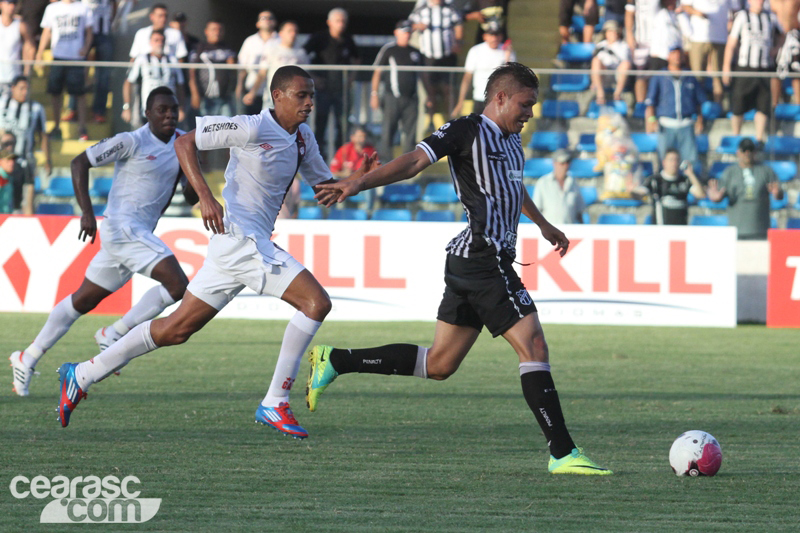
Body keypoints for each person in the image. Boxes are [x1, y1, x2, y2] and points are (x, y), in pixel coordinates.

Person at [309, 62, 611, 475]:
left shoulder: (512, 142)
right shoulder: (466, 129)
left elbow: (513, 185)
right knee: (534, 346)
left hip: (472, 262)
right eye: (525, 104)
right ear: (500, 97)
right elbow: (416, 161)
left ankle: (336, 360)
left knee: (439, 365)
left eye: (534, 105)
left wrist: (542, 223)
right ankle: (563, 453)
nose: (530, 113)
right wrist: (358, 183)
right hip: (483, 259)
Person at [53, 67, 368, 439]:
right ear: (278, 96)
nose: (310, 103)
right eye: (302, 96)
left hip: (232, 248)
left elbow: (324, 188)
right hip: (241, 241)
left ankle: (84, 373)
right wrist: (205, 196)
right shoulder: (249, 126)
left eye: (312, 95)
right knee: (316, 303)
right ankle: (275, 400)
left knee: (175, 329)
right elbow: (184, 143)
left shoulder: (303, 138)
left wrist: (360, 178)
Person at [10, 87, 196, 398]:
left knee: (81, 301)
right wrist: (86, 212)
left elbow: (190, 196)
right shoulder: (130, 141)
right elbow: (79, 162)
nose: (169, 115)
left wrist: (192, 170)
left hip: (134, 235)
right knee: (178, 285)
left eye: (173, 110)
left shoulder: (183, 142)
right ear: (147, 114)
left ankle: (26, 357)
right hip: (122, 228)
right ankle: (115, 332)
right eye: (162, 110)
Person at [722, 0, 780, 143]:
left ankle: (759, 139)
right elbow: (731, 42)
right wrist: (726, 66)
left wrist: (777, 48)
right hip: (745, 67)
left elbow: (784, 34)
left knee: (763, 104)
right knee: (738, 103)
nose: (759, 2)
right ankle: (736, 137)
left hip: (764, 67)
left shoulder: (770, 17)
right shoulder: (742, 16)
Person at [303, 8, 360, 151]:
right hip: (322, 89)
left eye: (343, 21)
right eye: (338, 21)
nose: (341, 24)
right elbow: (302, 57)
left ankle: (341, 158)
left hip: (342, 90)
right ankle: (317, 156)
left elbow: (357, 58)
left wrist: (351, 78)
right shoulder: (318, 38)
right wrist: (313, 78)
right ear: (329, 22)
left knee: (343, 124)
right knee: (320, 123)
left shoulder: (348, 39)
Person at [36, 0, 93, 141]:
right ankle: (57, 127)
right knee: (55, 93)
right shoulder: (52, 8)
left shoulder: (83, 8)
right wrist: (39, 53)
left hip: (76, 57)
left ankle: (82, 129)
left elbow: (90, 31)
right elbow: (46, 32)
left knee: (80, 94)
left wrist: (86, 48)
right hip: (58, 56)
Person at [707, 138, 784, 240]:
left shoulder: (766, 171)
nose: (747, 153)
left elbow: (779, 194)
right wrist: (715, 197)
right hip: (736, 229)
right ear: (738, 152)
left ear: (755, 152)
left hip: (760, 229)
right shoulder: (730, 173)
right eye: (744, 150)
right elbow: (717, 194)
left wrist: (777, 193)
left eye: (750, 150)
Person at [372, 20, 426, 162]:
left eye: (408, 32)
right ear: (396, 33)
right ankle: (384, 164)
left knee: (410, 134)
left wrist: (429, 95)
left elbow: (423, 75)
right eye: (403, 32)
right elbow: (377, 72)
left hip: (412, 98)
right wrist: (374, 94)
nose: (406, 35)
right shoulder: (389, 50)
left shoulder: (415, 52)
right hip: (392, 97)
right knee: (388, 132)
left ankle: (407, 166)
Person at [644, 45, 706, 163]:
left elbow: (698, 101)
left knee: (690, 161)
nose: (677, 57)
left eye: (679, 54)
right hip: (666, 124)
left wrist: (700, 120)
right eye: (673, 54)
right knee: (664, 160)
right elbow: (651, 102)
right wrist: (652, 120)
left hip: (686, 124)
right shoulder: (659, 76)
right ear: (668, 56)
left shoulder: (690, 76)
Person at [409, 0, 463, 128]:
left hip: (447, 55)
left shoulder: (450, 8)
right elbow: (409, 25)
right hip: (428, 56)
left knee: (448, 89)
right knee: (430, 90)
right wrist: (418, 26)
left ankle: (451, 120)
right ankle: (431, 121)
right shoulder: (421, 9)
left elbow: (458, 24)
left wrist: (458, 41)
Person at [243, 21, 309, 112]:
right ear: (281, 33)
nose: (293, 34)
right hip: (273, 99)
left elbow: (307, 75)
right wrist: (252, 93)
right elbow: (262, 73)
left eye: (295, 31)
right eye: (290, 31)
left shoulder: (301, 53)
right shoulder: (272, 50)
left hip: (295, 101)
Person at [123, 29, 185, 125]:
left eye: (162, 40)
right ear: (150, 42)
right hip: (147, 110)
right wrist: (127, 107)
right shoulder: (142, 59)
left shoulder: (172, 60)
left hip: (169, 110)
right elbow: (129, 82)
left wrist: (180, 107)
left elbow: (180, 85)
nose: (159, 43)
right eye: (156, 40)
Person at [629, 148, 705, 224]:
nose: (674, 163)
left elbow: (701, 194)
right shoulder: (655, 180)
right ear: (664, 162)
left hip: (681, 230)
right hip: (662, 230)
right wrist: (632, 191)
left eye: (676, 160)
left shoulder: (684, 180)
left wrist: (690, 174)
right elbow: (640, 194)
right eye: (671, 160)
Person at [452, 28, 515, 117]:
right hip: (480, 98)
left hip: (499, 99)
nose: (494, 38)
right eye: (491, 35)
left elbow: (511, 77)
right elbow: (467, 78)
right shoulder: (476, 51)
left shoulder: (507, 52)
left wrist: (507, 58)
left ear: (501, 37)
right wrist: (460, 101)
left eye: (496, 35)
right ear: (485, 36)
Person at [0, 76, 51, 184]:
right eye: (22, 88)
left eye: (27, 89)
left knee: (27, 189)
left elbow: (43, 136)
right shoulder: (2, 103)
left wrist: (48, 161)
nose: (25, 92)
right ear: (13, 88)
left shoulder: (36, 108)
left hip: (25, 159)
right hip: (2, 160)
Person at [682, 0, 732, 103]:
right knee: (698, 76)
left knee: (718, 76)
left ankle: (718, 105)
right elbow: (685, 6)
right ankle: (698, 107)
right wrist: (697, 13)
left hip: (720, 38)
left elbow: (734, 9)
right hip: (698, 38)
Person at [188, 20, 237, 118]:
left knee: (228, 128)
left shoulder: (228, 49)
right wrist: (194, 94)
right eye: (214, 29)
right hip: (205, 98)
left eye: (220, 30)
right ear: (206, 31)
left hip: (225, 98)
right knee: (206, 129)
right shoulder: (198, 48)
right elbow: (191, 73)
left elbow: (234, 71)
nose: (217, 32)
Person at [236, 11, 279, 115]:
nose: (267, 20)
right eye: (263, 18)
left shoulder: (280, 40)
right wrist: (239, 86)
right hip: (252, 91)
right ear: (257, 23)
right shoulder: (250, 41)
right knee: (252, 125)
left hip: (274, 92)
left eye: (270, 17)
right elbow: (243, 67)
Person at [81, 0, 116, 123]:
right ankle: (73, 109)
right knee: (78, 71)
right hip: (84, 33)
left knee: (103, 75)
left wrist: (111, 20)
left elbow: (114, 5)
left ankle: (99, 111)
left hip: (104, 34)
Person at [532, 149, 585, 225]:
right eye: (562, 163)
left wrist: (582, 229)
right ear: (555, 163)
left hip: (570, 231)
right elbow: (536, 211)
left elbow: (579, 212)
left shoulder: (574, 183)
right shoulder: (543, 182)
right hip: (549, 231)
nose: (565, 166)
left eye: (568, 162)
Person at [625, 0, 661, 102]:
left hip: (658, 42)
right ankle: (640, 104)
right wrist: (629, 35)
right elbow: (629, 13)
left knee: (656, 74)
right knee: (641, 75)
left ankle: (653, 103)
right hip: (641, 41)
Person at [590, 20, 632, 104]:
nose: (613, 33)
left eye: (614, 31)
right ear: (606, 33)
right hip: (603, 74)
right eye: (610, 31)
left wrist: (611, 52)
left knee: (626, 64)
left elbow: (623, 62)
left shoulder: (623, 46)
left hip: (617, 75)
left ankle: (617, 93)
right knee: (596, 61)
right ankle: (600, 93)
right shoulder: (600, 46)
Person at [2, 132, 32, 214]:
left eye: (12, 143)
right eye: (6, 143)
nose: (10, 146)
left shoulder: (23, 165)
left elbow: (28, 192)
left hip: (15, 211)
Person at [0, 0, 26, 94]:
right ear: (1, 4)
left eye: (14, 3)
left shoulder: (20, 25)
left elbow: (29, 47)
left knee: (9, 108)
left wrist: (26, 72)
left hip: (13, 77)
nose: (11, 6)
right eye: (9, 3)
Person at [0, 148, 16, 213]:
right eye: (8, 160)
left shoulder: (7, 177)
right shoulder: (1, 177)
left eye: (13, 160)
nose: (11, 163)